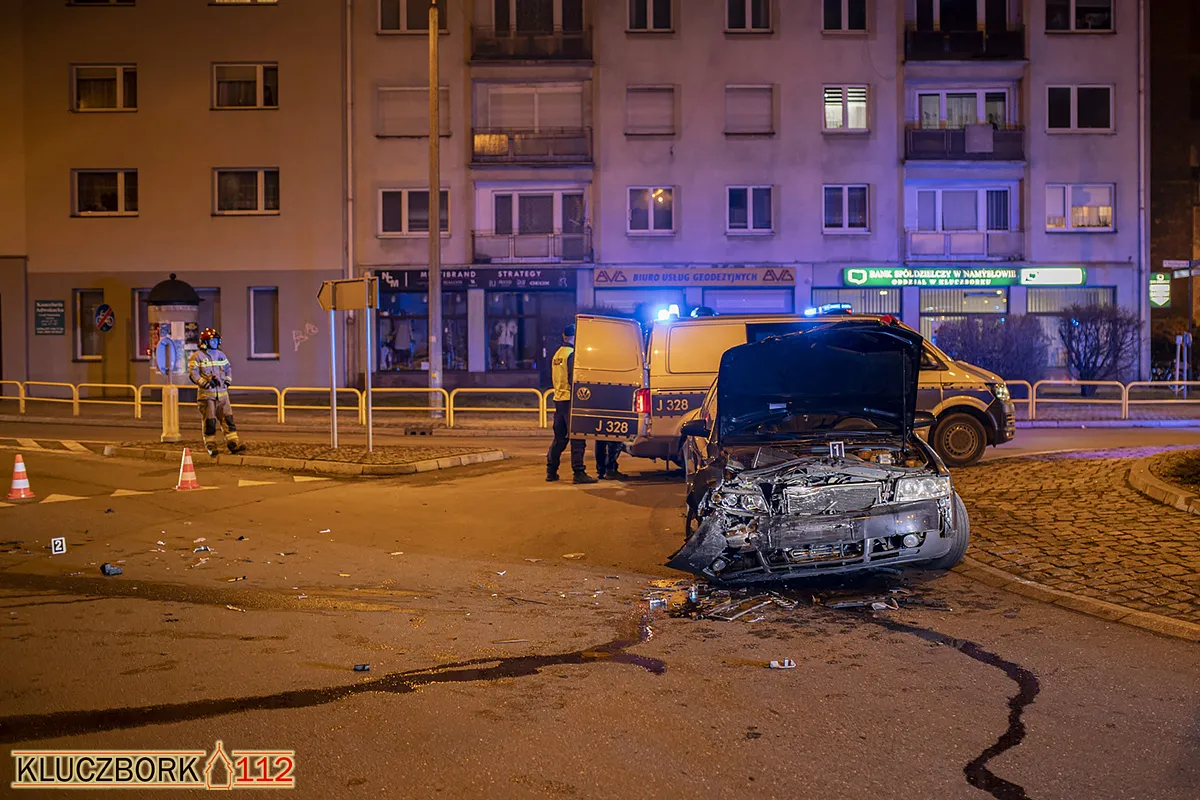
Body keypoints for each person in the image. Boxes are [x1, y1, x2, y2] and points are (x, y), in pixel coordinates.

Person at [546, 324, 596, 484]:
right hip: (570, 401)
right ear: (576, 337)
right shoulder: (572, 354)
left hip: (559, 399)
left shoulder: (558, 354)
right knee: (578, 437)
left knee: (559, 439)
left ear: (564, 335)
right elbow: (573, 379)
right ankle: (579, 472)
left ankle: (551, 471)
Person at [188, 327, 247, 458]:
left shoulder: (221, 355)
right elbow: (193, 374)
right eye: (212, 341)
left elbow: (228, 368)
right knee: (210, 422)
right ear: (205, 342)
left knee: (228, 419)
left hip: (223, 395)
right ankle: (211, 446)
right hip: (206, 396)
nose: (214, 343)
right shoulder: (197, 356)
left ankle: (233, 443)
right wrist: (205, 383)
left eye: (216, 340)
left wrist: (227, 381)